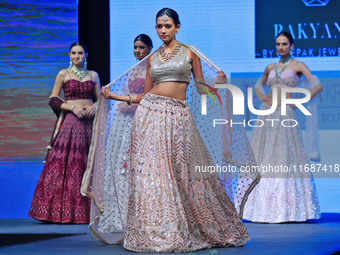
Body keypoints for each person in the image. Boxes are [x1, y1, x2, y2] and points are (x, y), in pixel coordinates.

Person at [81, 8, 259, 252]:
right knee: (152, 177)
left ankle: (187, 227)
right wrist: (116, 96)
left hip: (178, 118)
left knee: (183, 175)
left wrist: (218, 84)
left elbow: (200, 89)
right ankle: (154, 231)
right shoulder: (152, 58)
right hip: (148, 117)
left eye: (167, 26)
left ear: (177, 27)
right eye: (159, 26)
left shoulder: (189, 53)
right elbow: (144, 94)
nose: (163, 30)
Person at [243, 31, 322, 223]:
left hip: (286, 113)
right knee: (264, 156)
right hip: (267, 112)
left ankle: (287, 209)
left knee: (284, 157)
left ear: (292, 46)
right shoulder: (270, 66)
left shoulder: (298, 65)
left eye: (284, 44)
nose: (281, 47)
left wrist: (301, 100)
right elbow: (257, 85)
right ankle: (261, 208)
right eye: (278, 44)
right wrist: (261, 97)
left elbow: (317, 85)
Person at [28, 42, 101, 223]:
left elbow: (101, 100)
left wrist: (95, 106)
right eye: (74, 53)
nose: (77, 56)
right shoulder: (63, 74)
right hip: (70, 123)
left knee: (89, 164)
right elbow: (53, 99)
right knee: (66, 164)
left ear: (86, 55)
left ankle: (91, 213)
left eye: (80, 53)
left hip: (89, 125)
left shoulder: (93, 75)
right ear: (69, 55)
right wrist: (72, 107)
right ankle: (58, 212)